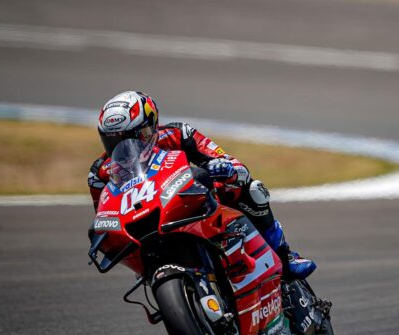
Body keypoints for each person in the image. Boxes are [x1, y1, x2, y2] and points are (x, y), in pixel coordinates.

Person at [88, 91, 315, 280]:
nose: (126, 149)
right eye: (114, 141)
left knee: (249, 186)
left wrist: (224, 167)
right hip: (150, 224)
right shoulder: (99, 173)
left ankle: (284, 255)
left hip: (193, 204)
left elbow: (229, 162)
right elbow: (106, 214)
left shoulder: (179, 135)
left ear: (152, 127)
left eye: (132, 138)